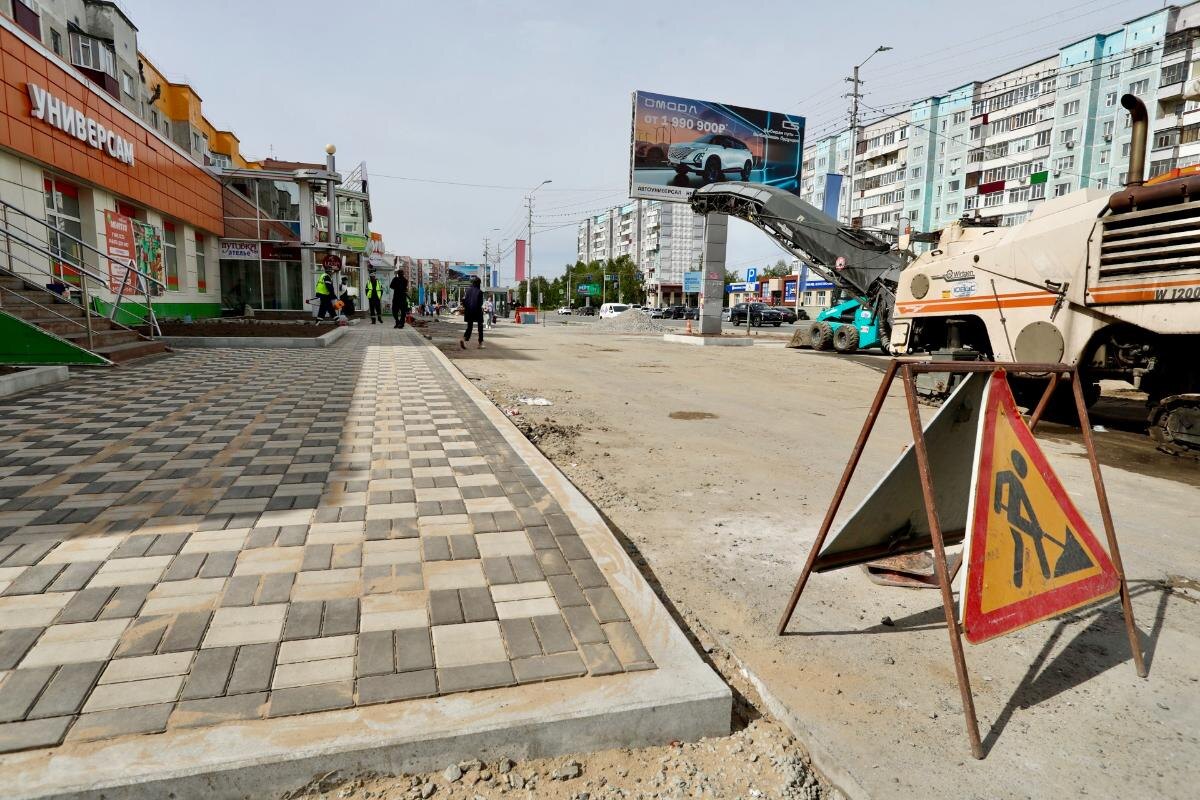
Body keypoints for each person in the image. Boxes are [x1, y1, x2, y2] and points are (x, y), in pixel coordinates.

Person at [460, 276, 485, 349]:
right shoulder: (479, 292)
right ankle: (480, 343)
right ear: (478, 283)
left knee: (469, 327)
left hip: (469, 311)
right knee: (480, 327)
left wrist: (466, 307)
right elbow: (480, 303)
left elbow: (463, 301)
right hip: (477, 311)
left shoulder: (467, 291)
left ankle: (464, 339)